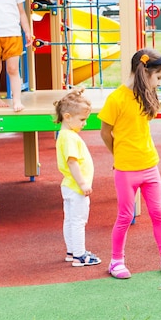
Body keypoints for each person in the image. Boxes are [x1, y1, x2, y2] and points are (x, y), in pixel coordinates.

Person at [99, 48, 161, 279]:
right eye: (158, 77)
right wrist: (117, 155)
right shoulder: (116, 99)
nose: (160, 83)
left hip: (150, 166)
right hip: (126, 170)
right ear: (144, 72)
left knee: (159, 214)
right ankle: (116, 262)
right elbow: (105, 133)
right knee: (124, 216)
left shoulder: (145, 94)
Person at [54, 88, 101, 267]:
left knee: (71, 219)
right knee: (79, 221)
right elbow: (72, 162)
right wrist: (83, 183)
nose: (85, 123)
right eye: (82, 120)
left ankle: (72, 251)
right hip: (75, 186)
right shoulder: (70, 138)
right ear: (67, 116)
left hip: (69, 186)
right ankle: (80, 255)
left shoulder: (65, 135)